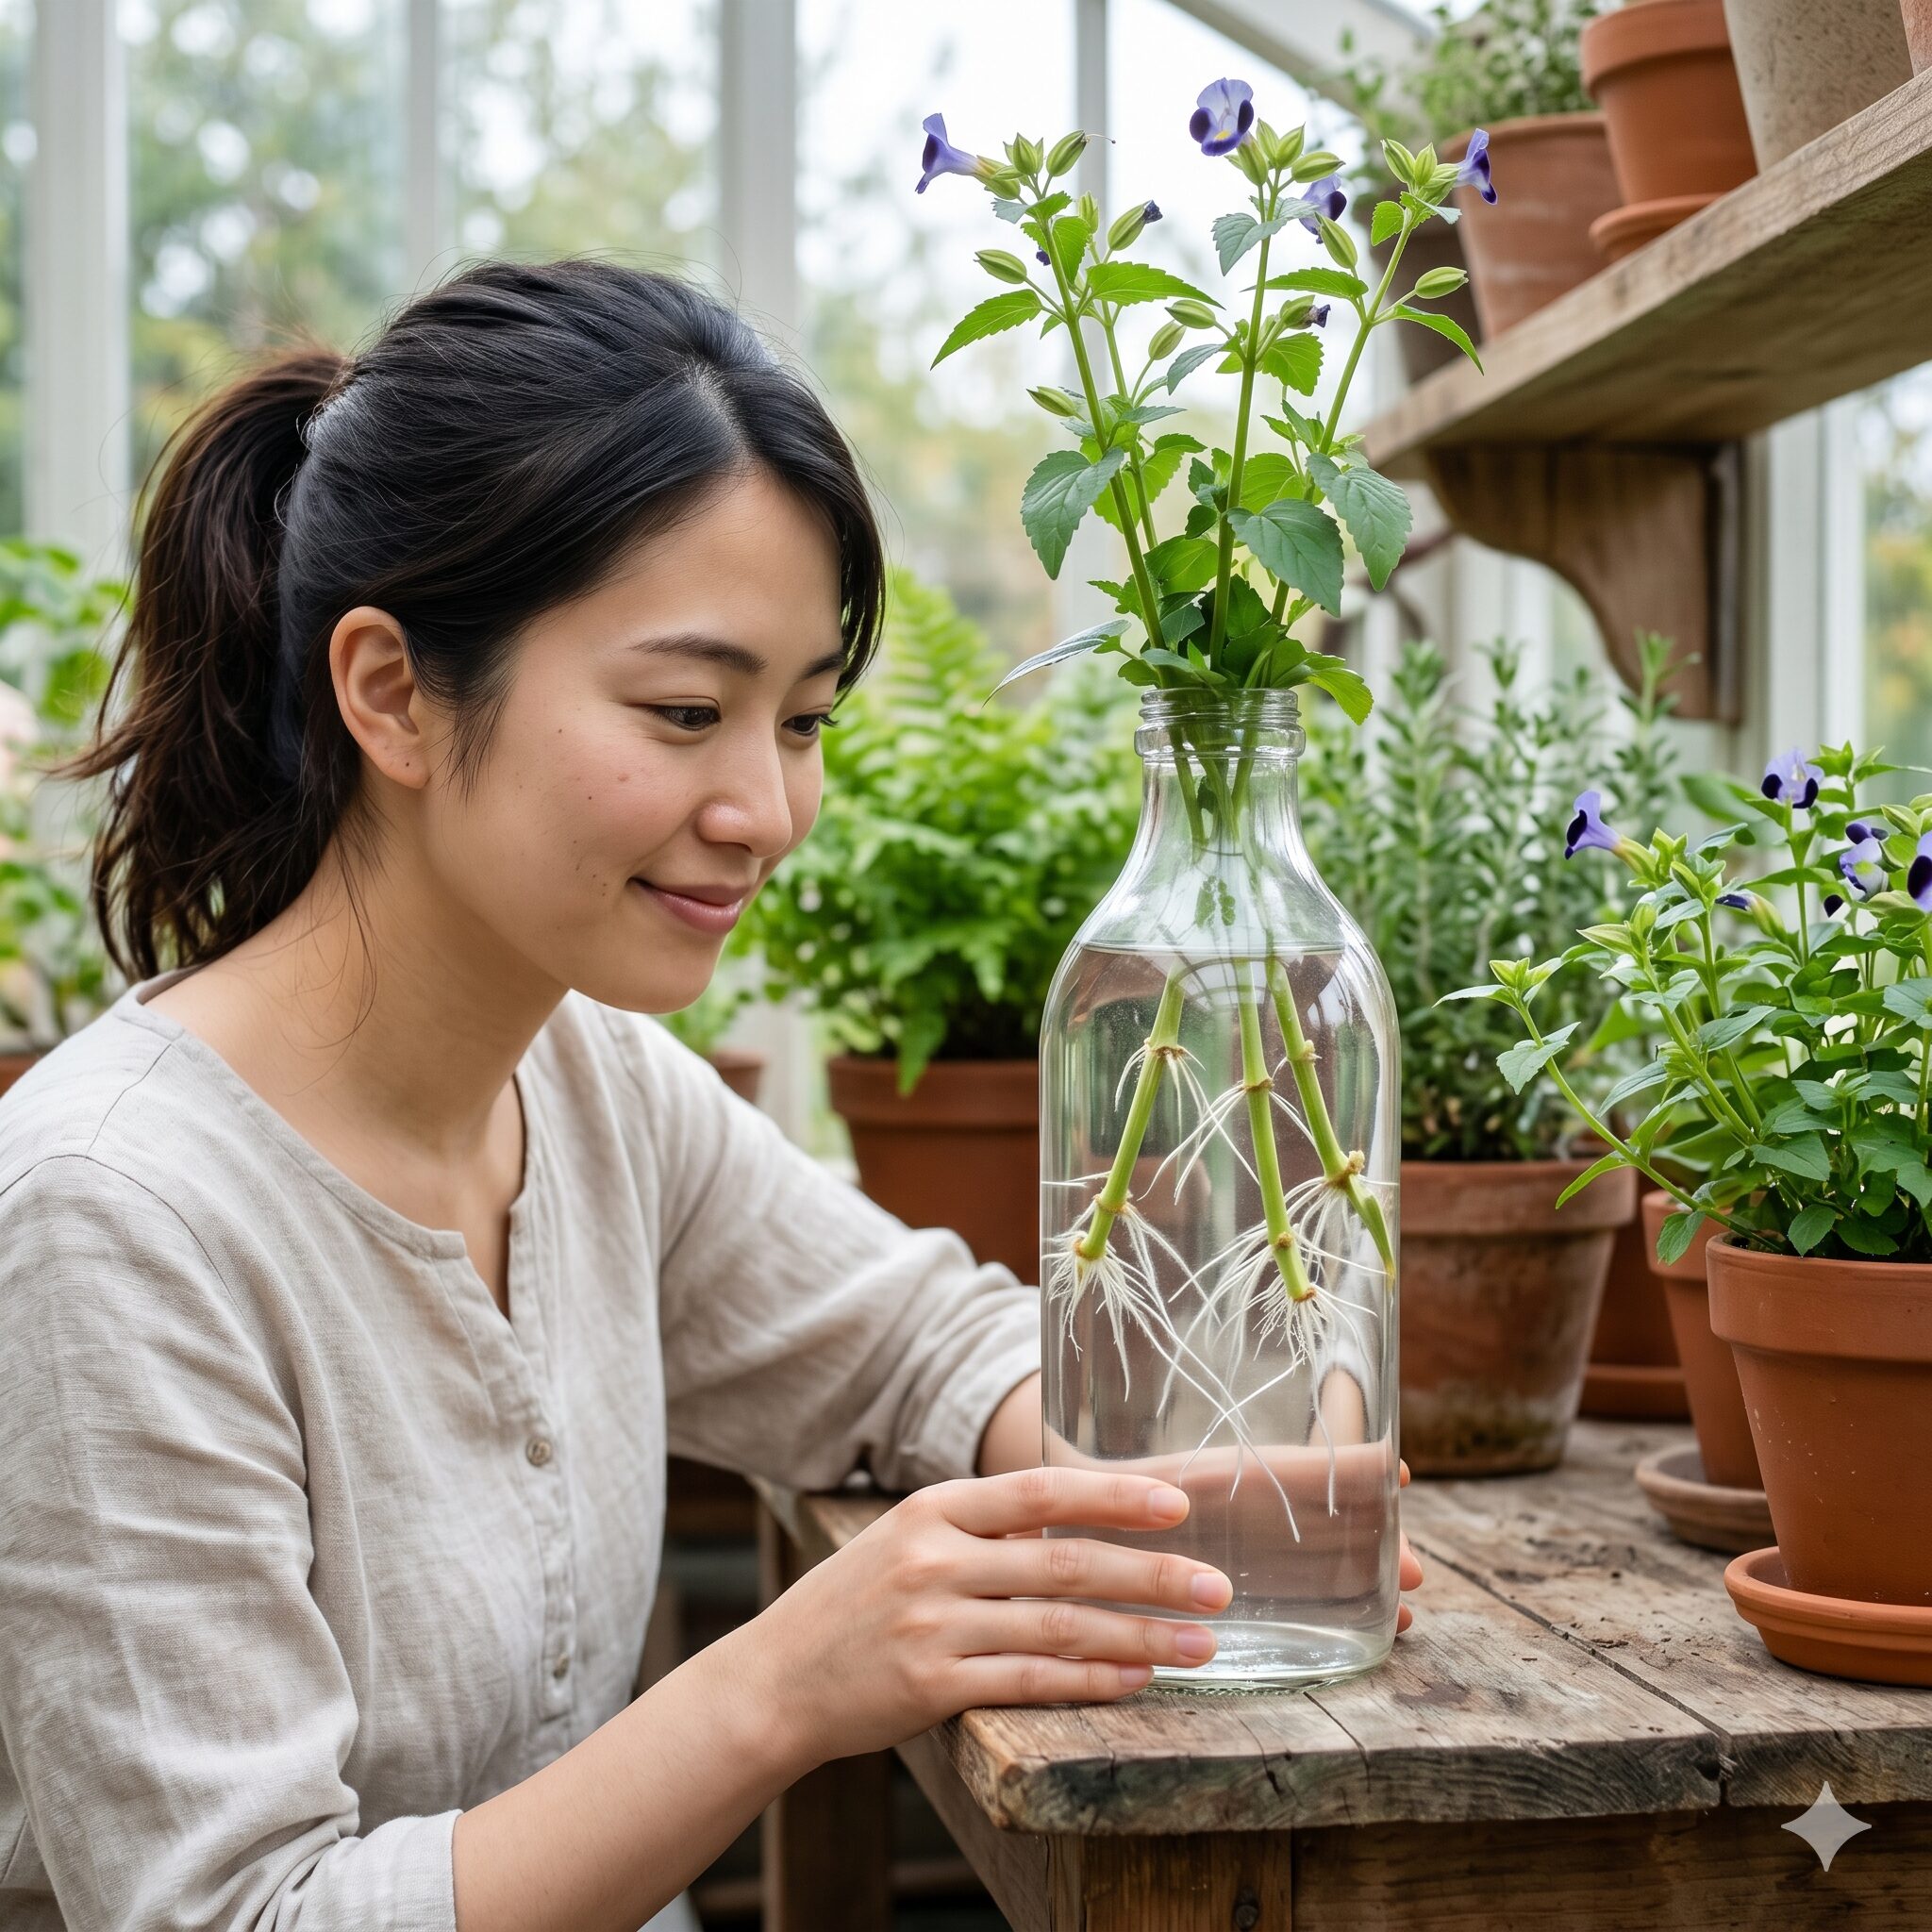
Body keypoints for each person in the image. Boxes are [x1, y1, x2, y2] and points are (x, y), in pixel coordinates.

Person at [0, 259, 1422, 1932]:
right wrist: (785, 1686)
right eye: (687, 712)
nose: (767, 807)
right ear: (388, 689)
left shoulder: (588, 1084)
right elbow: (231, 1915)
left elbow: (907, 1341)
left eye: (802, 718)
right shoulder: (109, 1216)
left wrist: (1212, 1512)